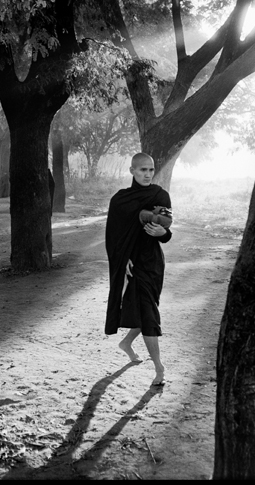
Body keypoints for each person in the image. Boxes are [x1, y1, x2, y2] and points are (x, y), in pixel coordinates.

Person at [105, 152, 173, 386]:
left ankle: (126, 343)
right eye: (142, 170)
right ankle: (159, 368)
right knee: (148, 312)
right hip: (133, 265)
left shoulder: (160, 195)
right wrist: (123, 262)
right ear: (132, 171)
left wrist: (163, 233)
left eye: (151, 170)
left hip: (154, 263)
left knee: (146, 308)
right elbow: (113, 238)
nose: (147, 174)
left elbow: (166, 230)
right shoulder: (120, 200)